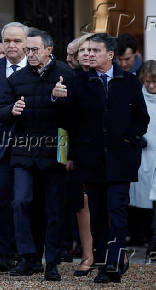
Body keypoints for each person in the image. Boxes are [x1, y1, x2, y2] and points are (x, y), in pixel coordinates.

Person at [52, 33, 149, 283]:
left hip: (120, 159)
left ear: (110, 55)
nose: (90, 54)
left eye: (96, 50)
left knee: (117, 209)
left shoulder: (128, 81)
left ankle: (115, 262)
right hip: (91, 159)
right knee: (97, 213)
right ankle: (104, 261)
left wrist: (129, 138)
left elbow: (141, 117)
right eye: (87, 50)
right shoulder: (78, 81)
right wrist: (58, 98)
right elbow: (66, 120)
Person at [0, 28, 73, 281]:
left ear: (48, 51)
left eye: (34, 50)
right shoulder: (16, 79)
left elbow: (77, 115)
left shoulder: (66, 74)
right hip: (24, 149)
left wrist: (60, 100)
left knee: (53, 209)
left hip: (54, 150)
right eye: (26, 50)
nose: (28, 54)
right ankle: (28, 257)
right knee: (20, 202)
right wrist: (12, 109)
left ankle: (51, 262)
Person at [0, 21, 29, 272]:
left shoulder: (36, 69)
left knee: (24, 200)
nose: (11, 46)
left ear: (26, 43)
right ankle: (2, 254)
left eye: (17, 41)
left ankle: (26, 254)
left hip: (29, 147)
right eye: (7, 41)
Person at [69, 33, 96, 277]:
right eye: (81, 52)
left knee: (110, 203)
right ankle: (88, 253)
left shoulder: (115, 77)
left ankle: (114, 251)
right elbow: (64, 121)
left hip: (108, 151)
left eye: (91, 50)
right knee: (82, 203)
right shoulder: (71, 80)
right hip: (78, 151)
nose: (87, 55)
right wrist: (64, 154)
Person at [129, 60, 156, 260]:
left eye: (155, 82)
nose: (151, 86)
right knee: (141, 196)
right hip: (144, 153)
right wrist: (138, 136)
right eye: (148, 82)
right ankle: (143, 235)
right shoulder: (137, 98)